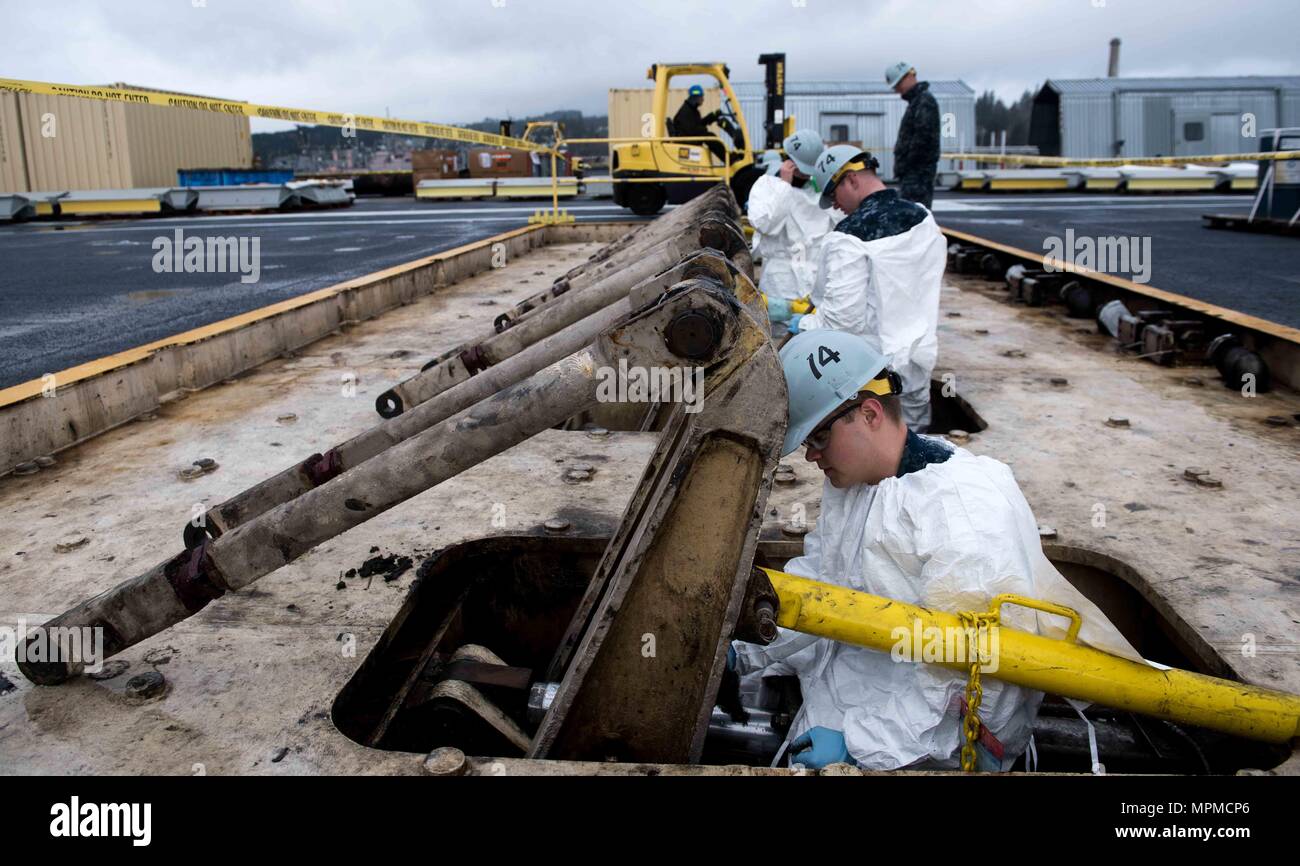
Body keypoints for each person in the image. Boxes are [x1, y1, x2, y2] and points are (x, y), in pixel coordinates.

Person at [732, 330, 1141, 771]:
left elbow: (984, 684)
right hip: (841, 710)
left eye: (817, 439)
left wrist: (859, 743)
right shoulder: (860, 484)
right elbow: (821, 585)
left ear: (869, 413)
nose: (811, 457)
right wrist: (748, 647)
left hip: (913, 752)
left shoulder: (961, 510)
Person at [798, 144, 945, 431]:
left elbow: (843, 321)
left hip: (873, 375)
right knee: (913, 451)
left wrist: (804, 325)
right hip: (918, 364)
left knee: (873, 463)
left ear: (851, 179)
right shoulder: (924, 218)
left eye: (832, 194)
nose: (835, 205)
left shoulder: (849, 236)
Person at [746, 130, 840, 314]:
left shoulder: (818, 191)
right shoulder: (767, 186)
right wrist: (784, 186)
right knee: (779, 333)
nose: (805, 177)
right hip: (781, 281)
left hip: (815, 278)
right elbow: (766, 225)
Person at [885, 61, 941, 208]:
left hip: (917, 175)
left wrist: (907, 164)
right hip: (913, 174)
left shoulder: (924, 101)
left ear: (909, 76)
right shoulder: (917, 102)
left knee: (914, 217)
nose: (898, 90)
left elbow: (923, 138)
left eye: (898, 84)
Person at [672, 84, 728, 164]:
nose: (703, 99)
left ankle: (728, 157)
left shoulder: (692, 110)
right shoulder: (686, 112)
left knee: (710, 136)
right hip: (686, 141)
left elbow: (698, 124)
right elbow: (692, 130)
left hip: (689, 138)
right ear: (695, 97)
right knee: (710, 137)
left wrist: (712, 116)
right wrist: (704, 130)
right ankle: (728, 158)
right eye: (701, 97)